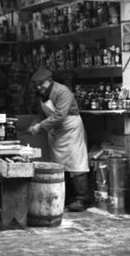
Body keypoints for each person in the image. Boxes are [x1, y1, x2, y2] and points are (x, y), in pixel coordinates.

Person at [27, 69, 90, 212]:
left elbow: (60, 115)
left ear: (49, 80)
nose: (38, 87)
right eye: (36, 85)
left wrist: (40, 127)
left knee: (76, 164)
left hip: (70, 130)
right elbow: (42, 113)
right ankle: (66, 197)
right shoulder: (43, 94)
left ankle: (82, 199)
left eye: (41, 84)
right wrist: (35, 123)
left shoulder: (62, 92)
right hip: (56, 132)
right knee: (59, 166)